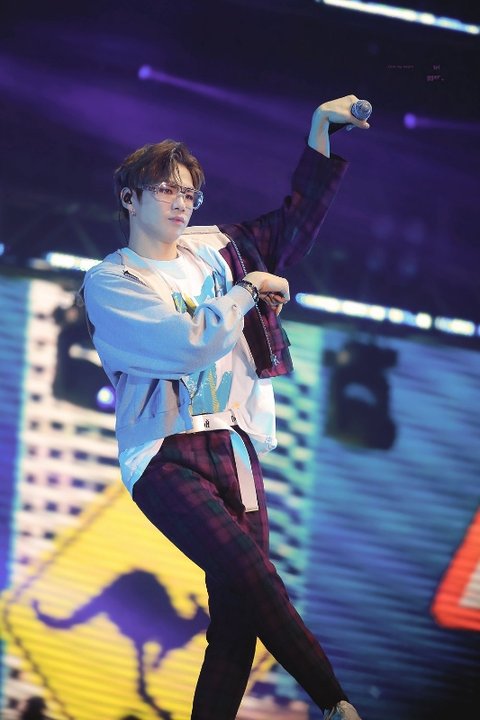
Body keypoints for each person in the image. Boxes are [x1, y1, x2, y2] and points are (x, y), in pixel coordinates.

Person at [81, 94, 370, 720]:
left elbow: (293, 226)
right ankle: (337, 703)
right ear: (129, 198)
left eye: (189, 192)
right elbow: (186, 345)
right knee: (254, 576)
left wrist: (320, 130)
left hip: (234, 445)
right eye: (166, 189)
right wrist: (245, 291)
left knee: (238, 619)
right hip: (165, 453)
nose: (181, 202)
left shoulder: (218, 248)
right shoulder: (112, 280)